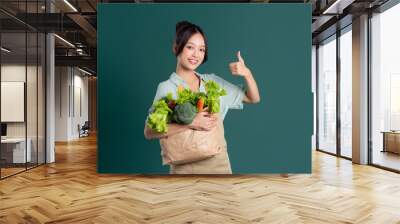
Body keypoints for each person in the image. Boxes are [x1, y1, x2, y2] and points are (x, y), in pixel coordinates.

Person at [144, 21, 260, 174]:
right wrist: (190, 123)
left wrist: (247, 74)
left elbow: (253, 98)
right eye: (190, 47)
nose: (196, 54)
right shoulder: (167, 87)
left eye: (201, 49)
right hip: (184, 171)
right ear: (176, 48)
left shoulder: (212, 82)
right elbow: (149, 132)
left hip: (220, 168)